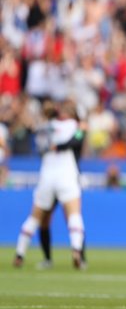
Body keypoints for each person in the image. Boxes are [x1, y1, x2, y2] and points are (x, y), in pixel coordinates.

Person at [14, 101, 86, 269]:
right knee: (74, 215)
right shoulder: (71, 125)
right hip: (66, 174)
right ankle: (76, 250)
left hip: (46, 175)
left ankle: (20, 253)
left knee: (35, 217)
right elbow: (77, 138)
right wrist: (81, 127)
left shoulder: (41, 128)